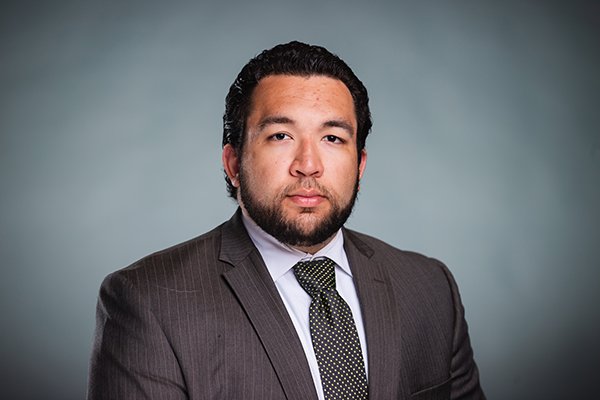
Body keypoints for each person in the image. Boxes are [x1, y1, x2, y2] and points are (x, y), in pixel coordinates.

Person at [87, 41, 485, 400]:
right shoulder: (148, 301)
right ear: (233, 164)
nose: (308, 165)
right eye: (280, 136)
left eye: (332, 138)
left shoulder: (431, 288)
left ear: (360, 164)